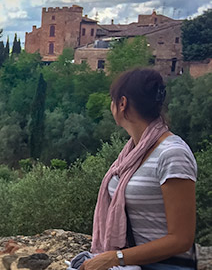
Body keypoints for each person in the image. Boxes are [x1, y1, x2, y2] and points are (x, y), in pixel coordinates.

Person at [81, 68, 197, 270]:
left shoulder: (172, 154)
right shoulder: (132, 152)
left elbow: (181, 239)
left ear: (122, 104)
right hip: (134, 264)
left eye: (113, 100)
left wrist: (115, 257)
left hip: (164, 266)